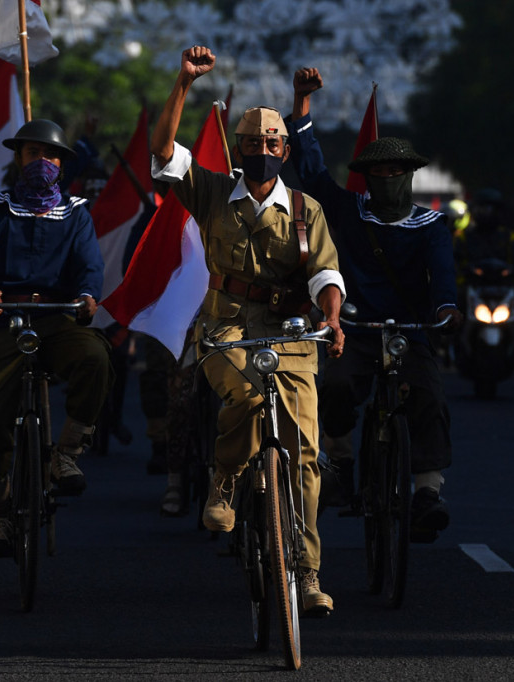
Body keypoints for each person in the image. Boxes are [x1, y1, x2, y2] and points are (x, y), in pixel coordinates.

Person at [150, 46, 346, 615]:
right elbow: (164, 152)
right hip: (226, 329)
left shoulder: (307, 210)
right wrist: (183, 84)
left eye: (272, 144)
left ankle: (307, 575)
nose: (263, 152)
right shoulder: (212, 191)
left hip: (290, 332)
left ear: (285, 150)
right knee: (246, 394)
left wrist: (331, 317)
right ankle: (226, 480)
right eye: (253, 144)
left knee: (306, 455)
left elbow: (326, 273)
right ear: (238, 149)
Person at [288, 67, 461, 540]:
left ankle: (427, 489)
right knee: (339, 387)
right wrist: (302, 104)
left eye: (396, 172)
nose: (387, 179)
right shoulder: (348, 210)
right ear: (366, 177)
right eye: (379, 173)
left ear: (410, 176)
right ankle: (341, 462)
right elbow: (311, 169)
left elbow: (443, 275)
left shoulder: (431, 225)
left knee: (427, 394)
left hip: (411, 329)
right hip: (357, 328)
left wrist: (445, 311)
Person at [0, 118, 114, 558]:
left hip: (56, 316)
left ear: (62, 165)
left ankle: (66, 453)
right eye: (32, 153)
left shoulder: (77, 213)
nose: (41, 162)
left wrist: (86, 296)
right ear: (18, 159)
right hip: (4, 319)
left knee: (95, 358)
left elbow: (89, 268)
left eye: (50, 155)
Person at [455, 187, 514, 356]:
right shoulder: (463, 237)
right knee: (452, 301)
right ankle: (452, 344)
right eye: (483, 208)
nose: (487, 213)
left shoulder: (509, 236)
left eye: (492, 209)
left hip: (504, 287)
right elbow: (450, 259)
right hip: (471, 286)